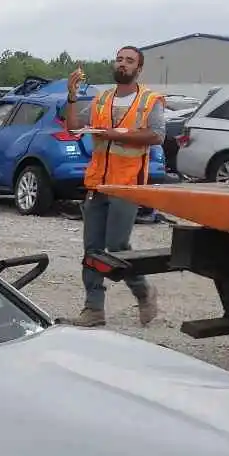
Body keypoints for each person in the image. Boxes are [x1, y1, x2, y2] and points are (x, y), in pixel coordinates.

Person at [60, 47, 164, 327]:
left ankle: (143, 291)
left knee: (117, 246)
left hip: (127, 185)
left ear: (138, 69)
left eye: (129, 61)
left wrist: (117, 134)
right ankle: (93, 309)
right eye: (119, 59)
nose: (123, 64)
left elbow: (157, 135)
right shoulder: (102, 98)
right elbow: (73, 127)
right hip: (98, 183)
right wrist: (71, 96)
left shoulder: (149, 100)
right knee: (92, 248)